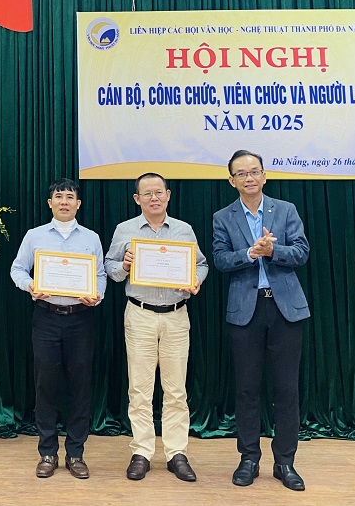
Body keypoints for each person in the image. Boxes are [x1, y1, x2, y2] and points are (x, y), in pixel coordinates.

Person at [212, 150, 310, 491]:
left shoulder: (286, 210)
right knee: (246, 389)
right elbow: (220, 260)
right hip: (246, 310)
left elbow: (302, 252)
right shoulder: (222, 217)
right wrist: (249, 254)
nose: (249, 178)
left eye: (254, 171)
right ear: (232, 181)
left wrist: (273, 251)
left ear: (264, 176)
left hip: (285, 309)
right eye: (241, 173)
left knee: (287, 389)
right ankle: (249, 458)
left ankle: (285, 462)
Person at [105, 172, 208, 482]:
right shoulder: (125, 230)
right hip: (140, 314)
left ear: (168, 195)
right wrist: (125, 265)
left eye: (158, 192)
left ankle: (177, 453)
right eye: (147, 193)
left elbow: (200, 264)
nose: (154, 198)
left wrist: (195, 280)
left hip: (176, 315)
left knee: (176, 389)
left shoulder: (183, 230)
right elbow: (110, 268)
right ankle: (142, 452)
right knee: (139, 388)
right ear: (137, 199)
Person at [10, 178, 106, 479]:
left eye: (70, 197)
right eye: (59, 196)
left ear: (79, 204)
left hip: (81, 318)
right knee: (45, 384)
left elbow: (100, 274)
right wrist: (30, 285)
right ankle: (48, 452)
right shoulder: (35, 235)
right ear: (50, 203)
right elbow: (17, 269)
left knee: (80, 385)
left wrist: (97, 294)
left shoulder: (91, 238)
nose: (65, 201)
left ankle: (76, 454)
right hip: (46, 317)